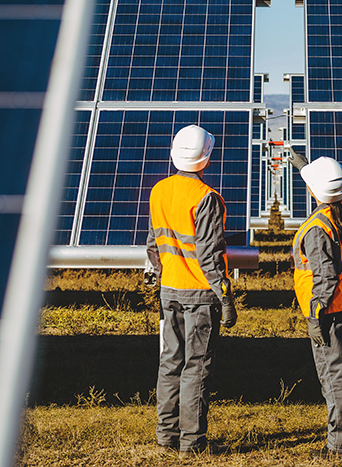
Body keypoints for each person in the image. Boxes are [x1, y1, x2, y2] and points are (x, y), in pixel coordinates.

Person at [145, 124, 238, 457]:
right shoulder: (206, 198)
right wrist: (226, 298)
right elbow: (210, 256)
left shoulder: (159, 190)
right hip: (199, 295)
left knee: (169, 364)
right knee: (196, 369)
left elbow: (153, 244)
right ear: (206, 157)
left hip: (169, 290)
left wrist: (163, 274)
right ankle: (192, 444)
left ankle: (165, 437)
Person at [287, 149, 342, 457]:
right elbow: (327, 190)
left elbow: (325, 276)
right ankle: (341, 440)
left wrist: (315, 316)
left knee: (334, 378)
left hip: (328, 311)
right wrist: (307, 168)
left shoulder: (317, 229)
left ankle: (340, 448)